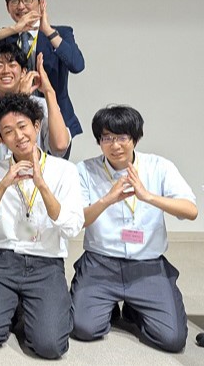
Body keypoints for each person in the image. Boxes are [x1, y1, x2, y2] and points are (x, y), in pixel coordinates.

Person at [0, 93, 83, 359]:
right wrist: (2, 185)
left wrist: (42, 186)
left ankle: (35, 306)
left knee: (50, 347)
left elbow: (73, 227)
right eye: (8, 131)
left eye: (22, 126)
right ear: (1, 138)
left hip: (46, 263)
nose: (18, 136)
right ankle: (9, 302)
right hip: (4, 260)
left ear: (37, 126)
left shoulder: (64, 171)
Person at [71, 105, 197, 353]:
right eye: (107, 138)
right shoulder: (84, 170)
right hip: (100, 262)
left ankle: (133, 309)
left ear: (135, 138)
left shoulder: (159, 167)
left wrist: (148, 196)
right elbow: (78, 221)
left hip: (147, 265)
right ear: (99, 141)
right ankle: (108, 307)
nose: (115, 145)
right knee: (83, 328)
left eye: (122, 137)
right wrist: (107, 200)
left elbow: (190, 211)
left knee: (172, 339)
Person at [0, 43, 70, 277]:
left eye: (12, 64)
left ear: (23, 71)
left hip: (32, 190)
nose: (6, 70)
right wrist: (19, 99)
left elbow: (61, 145)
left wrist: (49, 92)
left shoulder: (40, 106)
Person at [0, 0, 85, 142]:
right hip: (14, 118)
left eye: (27, 0)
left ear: (40, 3)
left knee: (53, 157)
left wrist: (48, 31)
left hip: (53, 115)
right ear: (7, 7)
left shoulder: (60, 33)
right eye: (14, 1)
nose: (20, 6)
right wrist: (14, 29)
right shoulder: (7, 37)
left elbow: (77, 65)